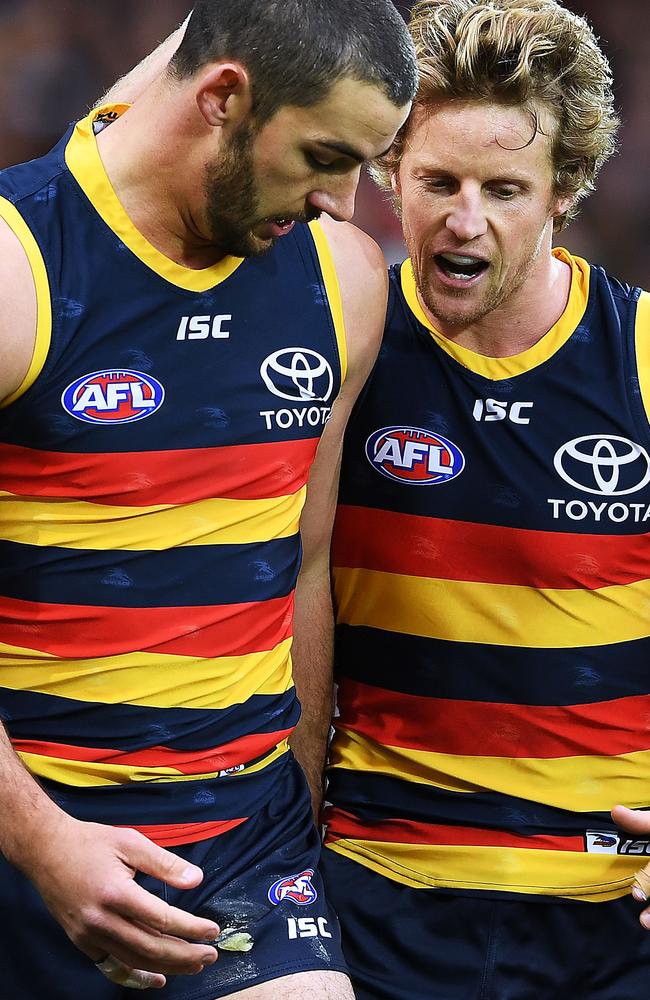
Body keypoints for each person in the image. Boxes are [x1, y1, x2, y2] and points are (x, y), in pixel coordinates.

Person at [0, 2, 417, 997]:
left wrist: (299, 813)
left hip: (238, 846)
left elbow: (304, 564)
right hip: (28, 829)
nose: (345, 204)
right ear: (225, 97)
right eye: (324, 154)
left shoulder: (339, 281)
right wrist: (46, 841)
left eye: (365, 163)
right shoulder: (20, 271)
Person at [320, 1, 650, 997]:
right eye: (436, 182)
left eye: (503, 188)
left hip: (606, 910)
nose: (463, 219)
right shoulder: (343, 347)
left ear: (563, 194)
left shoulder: (637, 358)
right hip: (377, 901)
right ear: (391, 178)